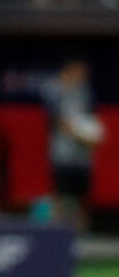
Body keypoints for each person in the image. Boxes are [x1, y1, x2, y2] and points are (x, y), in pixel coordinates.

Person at [42, 60, 104, 229]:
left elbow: (92, 121)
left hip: (82, 157)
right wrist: (78, 134)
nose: (81, 77)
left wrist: (93, 136)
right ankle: (55, 229)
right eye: (78, 73)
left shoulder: (86, 94)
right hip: (63, 155)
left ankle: (81, 231)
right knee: (60, 194)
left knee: (82, 196)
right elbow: (57, 121)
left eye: (84, 74)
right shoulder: (56, 92)